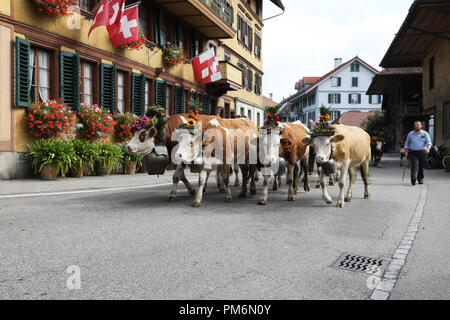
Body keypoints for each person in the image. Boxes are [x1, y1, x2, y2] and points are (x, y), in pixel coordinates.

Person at [404, 120, 432, 185]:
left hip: (423, 152)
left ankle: (420, 179)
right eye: (415, 125)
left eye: (418, 125)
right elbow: (407, 144)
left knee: (421, 167)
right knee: (414, 165)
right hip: (413, 153)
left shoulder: (425, 134)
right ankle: (413, 179)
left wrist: (428, 148)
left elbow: (429, 143)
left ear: (421, 126)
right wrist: (406, 152)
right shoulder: (410, 134)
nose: (416, 126)